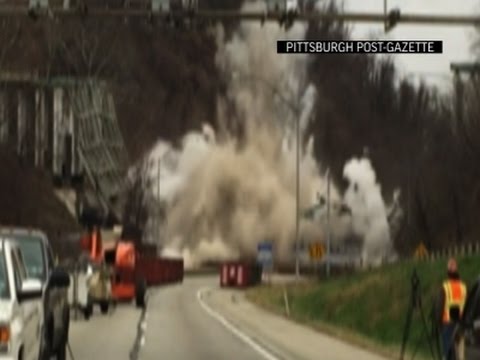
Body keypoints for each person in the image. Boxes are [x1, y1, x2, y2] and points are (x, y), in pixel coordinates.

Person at [436, 258, 467, 360]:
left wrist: (437, 322)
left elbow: (439, 306)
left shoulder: (445, 287)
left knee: (448, 353)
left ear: (448, 272)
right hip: (461, 323)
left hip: (447, 323)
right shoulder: (464, 287)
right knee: (460, 353)